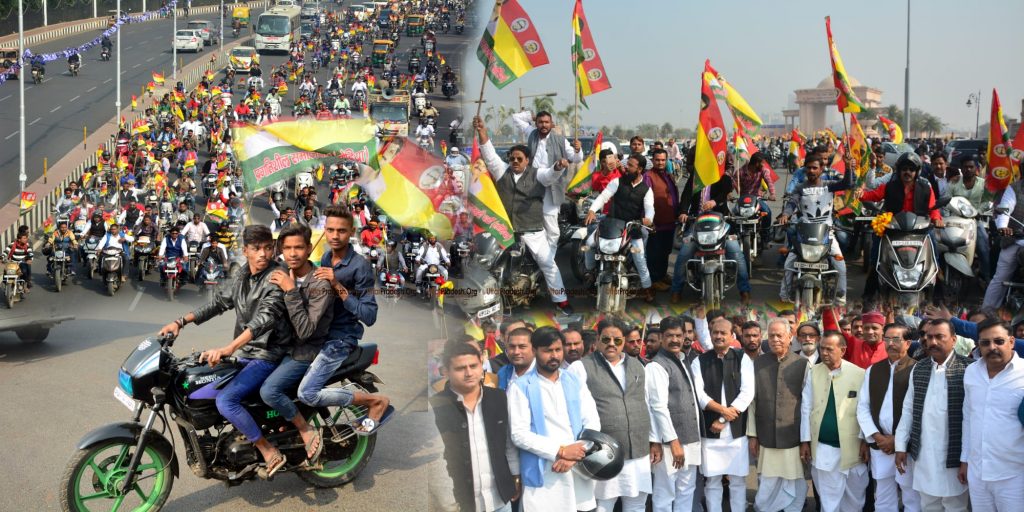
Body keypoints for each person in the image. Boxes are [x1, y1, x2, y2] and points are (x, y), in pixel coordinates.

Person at [158, 225, 293, 478]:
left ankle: (267, 450)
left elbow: (264, 319)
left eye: (267, 247)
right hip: (247, 354)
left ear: (273, 248)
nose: (263, 254)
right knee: (201, 380)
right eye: (256, 249)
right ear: (246, 251)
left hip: (268, 354)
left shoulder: (277, 276)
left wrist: (228, 348)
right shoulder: (243, 274)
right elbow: (218, 303)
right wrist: (179, 322)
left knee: (226, 401)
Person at [474, 116, 574, 315]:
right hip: (504, 229)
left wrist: (558, 166)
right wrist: (482, 131)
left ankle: (561, 301)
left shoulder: (537, 174)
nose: (515, 162)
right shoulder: (502, 171)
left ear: (527, 160)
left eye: (520, 159)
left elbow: (550, 175)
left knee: (548, 264)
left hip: (532, 230)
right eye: (512, 158)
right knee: (486, 262)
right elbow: (489, 152)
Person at [305, 206, 389, 431]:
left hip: (341, 339)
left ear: (351, 231)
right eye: (330, 230)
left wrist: (337, 284)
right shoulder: (324, 257)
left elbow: (369, 315)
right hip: (320, 334)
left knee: (307, 391)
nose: (334, 235)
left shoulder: (360, 267)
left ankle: (376, 402)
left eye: (340, 231)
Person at [258, 224, 334, 464]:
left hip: (306, 351)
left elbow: (305, 331)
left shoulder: (320, 283)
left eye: (299, 247)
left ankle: (304, 428)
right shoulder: (281, 272)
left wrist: (291, 292)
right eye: (287, 248)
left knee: (269, 391)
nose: (293, 253)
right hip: (281, 348)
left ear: (309, 248)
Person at [508, 327, 601, 512]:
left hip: (577, 467)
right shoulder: (520, 387)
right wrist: (561, 451)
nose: (554, 356)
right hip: (545, 474)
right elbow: (519, 434)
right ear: (534, 351)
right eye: (547, 351)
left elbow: (592, 422)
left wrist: (576, 454)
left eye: (558, 350)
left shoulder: (574, 380)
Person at [566, 317, 653, 512]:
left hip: (639, 449)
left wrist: (653, 441)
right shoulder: (580, 367)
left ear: (624, 340)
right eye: (606, 339)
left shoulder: (638, 365)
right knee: (604, 505)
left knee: (637, 503)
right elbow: (572, 412)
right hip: (603, 451)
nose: (612, 344)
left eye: (617, 340)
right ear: (597, 339)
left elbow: (645, 403)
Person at [431, 342, 521, 512]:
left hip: (500, 498)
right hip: (460, 502)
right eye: (460, 368)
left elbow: (508, 441)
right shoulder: (436, 406)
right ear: (446, 371)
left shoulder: (499, 398)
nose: (469, 373)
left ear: (482, 365)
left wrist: (515, 475)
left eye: (473, 366)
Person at [894, 319, 970, 511]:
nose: (933, 342)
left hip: (954, 457)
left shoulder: (969, 369)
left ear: (953, 340)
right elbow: (908, 409)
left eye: (939, 337)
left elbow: (973, 418)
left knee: (955, 506)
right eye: (929, 337)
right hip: (924, 456)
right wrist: (901, 446)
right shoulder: (919, 368)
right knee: (928, 505)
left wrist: (967, 459)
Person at [800, 331, 870, 512]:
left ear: (843, 350)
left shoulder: (860, 374)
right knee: (829, 502)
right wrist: (805, 441)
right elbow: (806, 408)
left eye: (829, 349)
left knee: (855, 500)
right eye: (821, 348)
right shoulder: (813, 372)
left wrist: (865, 440)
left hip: (853, 448)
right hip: (824, 448)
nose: (824, 353)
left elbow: (865, 409)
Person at [959, 318, 1024, 511]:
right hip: (977, 473)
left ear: (1011, 341)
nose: (992, 347)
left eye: (999, 341)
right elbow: (968, 417)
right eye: (985, 343)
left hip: (1014, 475)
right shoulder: (971, 371)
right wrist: (965, 460)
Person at [691, 317, 755, 512]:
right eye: (715, 333)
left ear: (731, 336)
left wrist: (723, 418)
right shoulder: (699, 360)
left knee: (737, 480)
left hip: (736, 431)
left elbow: (747, 393)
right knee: (712, 480)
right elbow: (699, 395)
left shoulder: (742, 358)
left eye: (722, 333)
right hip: (710, 431)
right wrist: (721, 413)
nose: (718, 336)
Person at [856, 322, 921, 512]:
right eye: (887, 339)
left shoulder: (918, 369)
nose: (891, 344)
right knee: (883, 495)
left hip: (907, 447)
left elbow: (918, 411)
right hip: (880, 445)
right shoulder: (873, 370)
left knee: (911, 495)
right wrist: (877, 437)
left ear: (908, 343)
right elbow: (863, 407)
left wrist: (898, 440)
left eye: (896, 339)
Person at [748, 319, 812, 512]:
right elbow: (752, 403)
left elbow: (807, 404)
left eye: (779, 335)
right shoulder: (758, 364)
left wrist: (805, 439)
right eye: (771, 335)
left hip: (792, 434)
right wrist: (752, 435)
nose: (775, 339)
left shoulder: (802, 364)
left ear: (790, 337)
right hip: (765, 434)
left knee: (794, 480)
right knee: (768, 481)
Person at [778, 153, 854, 304]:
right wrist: (786, 214)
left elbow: (848, 184)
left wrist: (848, 167)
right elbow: (792, 203)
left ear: (821, 169)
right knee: (788, 264)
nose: (811, 171)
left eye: (815, 168)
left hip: (827, 233)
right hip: (804, 234)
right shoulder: (800, 188)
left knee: (840, 265)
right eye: (809, 168)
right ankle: (784, 295)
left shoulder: (829, 185)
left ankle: (840, 297)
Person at [645, 316, 703, 512]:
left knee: (686, 490)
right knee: (665, 493)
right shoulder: (656, 366)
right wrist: (673, 441)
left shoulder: (682, 359)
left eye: (679, 335)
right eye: (670, 336)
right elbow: (658, 407)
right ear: (661, 337)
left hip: (690, 438)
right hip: (672, 443)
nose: (675, 340)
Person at [584, 153, 655, 301]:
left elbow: (650, 208)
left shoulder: (646, 190)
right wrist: (592, 210)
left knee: (639, 257)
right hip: (611, 223)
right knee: (589, 244)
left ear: (639, 169)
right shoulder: (617, 182)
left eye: (630, 166)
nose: (626, 168)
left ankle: (647, 288)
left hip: (632, 227)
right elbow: (603, 196)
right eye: (627, 164)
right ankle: (590, 273)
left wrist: (648, 219)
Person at [510, 110, 583, 247]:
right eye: (540, 122)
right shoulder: (531, 133)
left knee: (551, 226)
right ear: (536, 123)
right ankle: (536, 257)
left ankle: (550, 257)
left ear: (552, 124)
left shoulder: (561, 140)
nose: (543, 125)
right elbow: (515, 118)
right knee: (531, 222)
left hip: (552, 185)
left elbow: (575, 158)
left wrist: (578, 150)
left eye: (546, 122)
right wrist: (531, 116)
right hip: (532, 183)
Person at [982, 176, 1024, 309]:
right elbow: (1005, 209)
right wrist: (1002, 227)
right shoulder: (1014, 188)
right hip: (1013, 240)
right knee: (1000, 278)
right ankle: (986, 313)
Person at [947, 155, 992, 280]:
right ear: (961, 168)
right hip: (954, 220)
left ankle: (986, 276)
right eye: (965, 167)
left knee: (983, 246)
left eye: (971, 167)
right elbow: (945, 201)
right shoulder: (954, 182)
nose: (968, 169)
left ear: (976, 168)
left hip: (974, 221)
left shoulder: (983, 184)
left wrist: (978, 212)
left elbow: (988, 202)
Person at [643, 148, 680, 289]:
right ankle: (654, 280)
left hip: (669, 222)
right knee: (654, 253)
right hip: (655, 223)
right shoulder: (648, 176)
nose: (660, 162)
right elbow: (646, 200)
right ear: (653, 160)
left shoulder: (669, 175)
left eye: (663, 160)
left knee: (665, 251)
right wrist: (648, 219)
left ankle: (663, 275)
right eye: (657, 160)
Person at [824, 307, 888, 369]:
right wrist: (828, 309)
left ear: (882, 330)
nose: (870, 332)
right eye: (866, 328)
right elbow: (832, 332)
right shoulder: (854, 344)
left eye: (874, 328)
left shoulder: (890, 347)